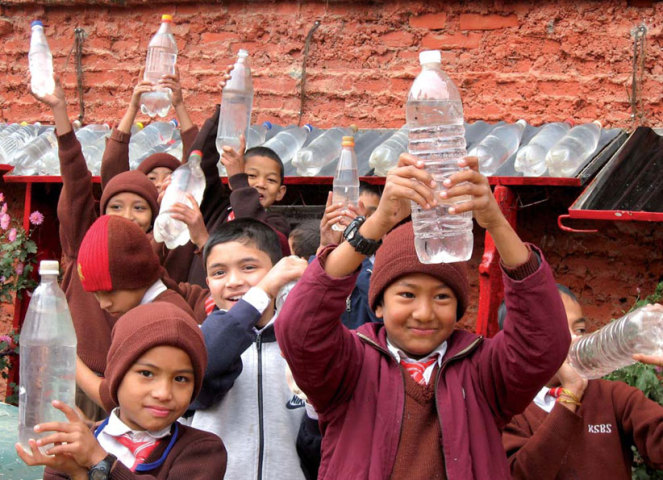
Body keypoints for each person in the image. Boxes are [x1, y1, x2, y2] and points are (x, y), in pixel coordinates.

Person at [275, 154, 570, 479]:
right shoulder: (350, 367)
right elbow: (299, 330)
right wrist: (376, 225)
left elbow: (544, 342)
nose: (424, 312)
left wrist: (496, 222)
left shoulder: (484, 372)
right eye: (407, 294)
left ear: (458, 309)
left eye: (442, 297)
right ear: (378, 305)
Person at [32, 78, 163, 420]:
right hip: (72, 381)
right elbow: (76, 179)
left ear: (153, 219)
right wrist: (60, 113)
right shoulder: (82, 244)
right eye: (116, 206)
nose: (128, 216)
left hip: (129, 387)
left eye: (140, 208)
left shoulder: (154, 259)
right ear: (102, 212)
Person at [16, 302, 227, 479]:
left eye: (181, 379)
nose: (163, 393)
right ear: (117, 375)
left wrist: (99, 462)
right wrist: (74, 471)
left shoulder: (202, 451)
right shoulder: (78, 444)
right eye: (147, 374)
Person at [189, 218, 309, 480]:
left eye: (249, 267)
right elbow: (208, 362)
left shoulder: (301, 342)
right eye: (219, 273)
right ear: (207, 282)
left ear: (278, 271)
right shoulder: (193, 339)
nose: (233, 281)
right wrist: (262, 290)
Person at [502, 289, 663, 479]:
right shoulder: (507, 411)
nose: (575, 339)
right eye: (557, 330)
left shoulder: (612, 397)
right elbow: (519, 474)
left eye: (579, 330)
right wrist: (571, 394)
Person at [100, 67, 199, 193]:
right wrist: (133, 107)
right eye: (152, 178)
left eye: (169, 177)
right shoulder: (130, 209)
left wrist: (179, 104)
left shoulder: (186, 209)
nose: (159, 184)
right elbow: (113, 166)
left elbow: (195, 159)